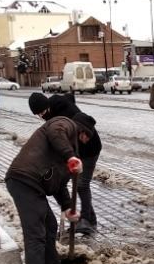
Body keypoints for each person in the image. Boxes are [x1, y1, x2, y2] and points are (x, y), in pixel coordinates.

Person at [5, 92, 92, 264]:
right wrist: (70, 156)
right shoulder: (64, 124)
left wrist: (67, 208)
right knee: (36, 232)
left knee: (50, 225)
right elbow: (55, 131)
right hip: (23, 180)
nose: (87, 140)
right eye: (88, 136)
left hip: (34, 185)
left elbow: (59, 185)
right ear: (83, 132)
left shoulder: (69, 147)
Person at [30, 92, 102, 236]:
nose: (41, 116)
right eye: (38, 114)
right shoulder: (51, 114)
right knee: (74, 184)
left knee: (82, 184)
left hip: (89, 149)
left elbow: (77, 134)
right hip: (74, 152)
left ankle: (86, 220)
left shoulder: (67, 112)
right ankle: (90, 220)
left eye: (42, 112)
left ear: (48, 106)